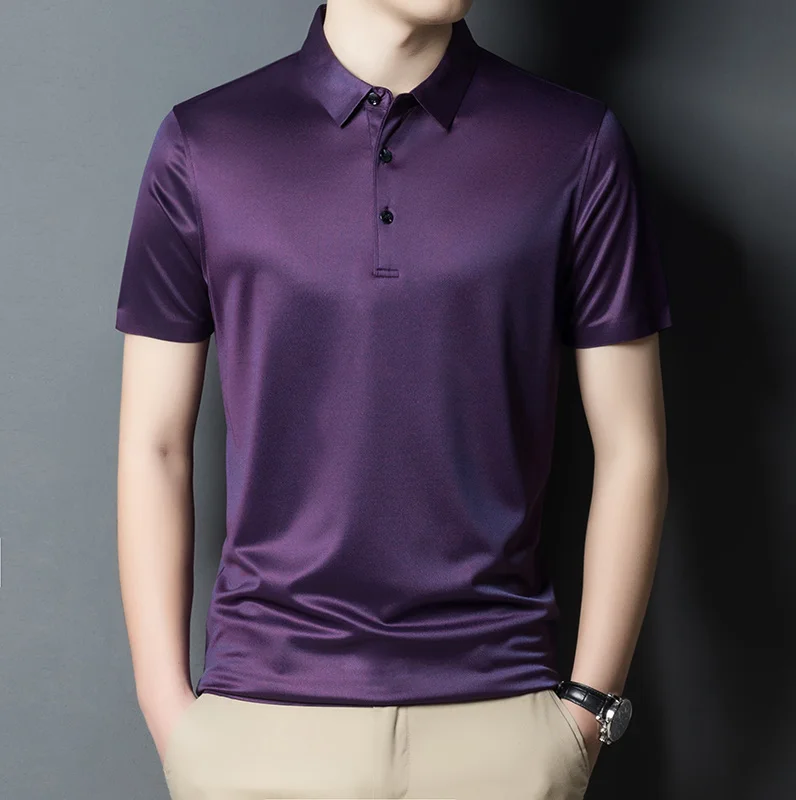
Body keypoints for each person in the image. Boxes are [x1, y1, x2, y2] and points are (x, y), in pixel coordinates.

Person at [114, 1, 671, 798]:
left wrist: (585, 710)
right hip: (262, 721)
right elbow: (155, 444)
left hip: (503, 719)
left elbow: (632, 446)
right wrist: (169, 711)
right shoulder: (206, 144)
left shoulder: (574, 143)